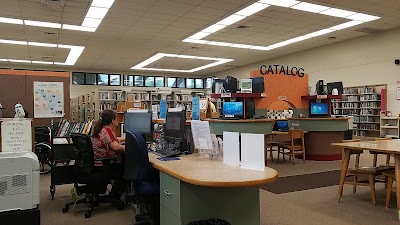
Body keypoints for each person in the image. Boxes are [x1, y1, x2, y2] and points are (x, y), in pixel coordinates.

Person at [92, 109, 125, 198]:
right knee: (129, 167)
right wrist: (129, 146)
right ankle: (117, 193)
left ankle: (116, 191)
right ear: (112, 120)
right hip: (108, 164)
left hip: (99, 163)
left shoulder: (99, 129)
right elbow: (116, 147)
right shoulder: (107, 130)